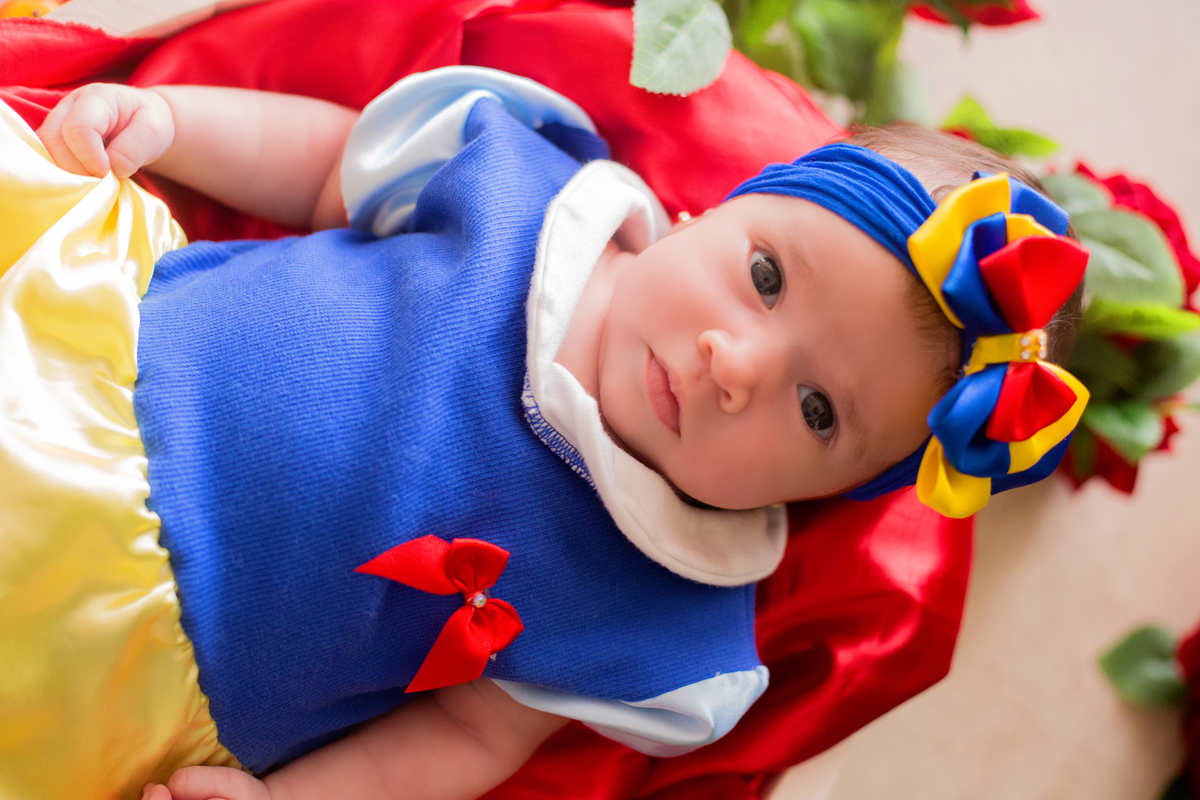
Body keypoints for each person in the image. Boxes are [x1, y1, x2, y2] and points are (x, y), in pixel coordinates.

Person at [6, 64, 1086, 800]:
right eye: (764, 275)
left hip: (123, 655)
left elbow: (461, 739)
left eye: (816, 411)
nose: (735, 363)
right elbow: (328, 168)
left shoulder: (663, 617)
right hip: (88, 348)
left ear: (833, 486)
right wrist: (176, 123)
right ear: (730, 201)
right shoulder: (532, 184)